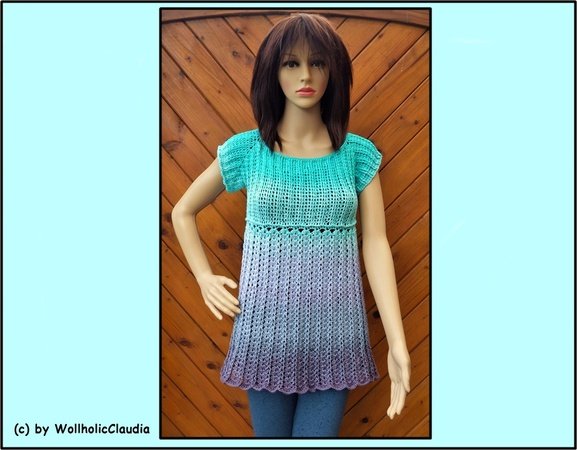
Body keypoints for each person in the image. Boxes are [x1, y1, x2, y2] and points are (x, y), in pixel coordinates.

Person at [171, 13, 411, 438]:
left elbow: (375, 243)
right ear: (273, 71)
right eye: (291, 63)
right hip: (264, 331)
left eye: (317, 62)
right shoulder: (248, 151)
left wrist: (397, 340)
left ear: (333, 71)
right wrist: (203, 277)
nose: (306, 75)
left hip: (336, 334)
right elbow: (182, 211)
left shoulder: (357, 156)